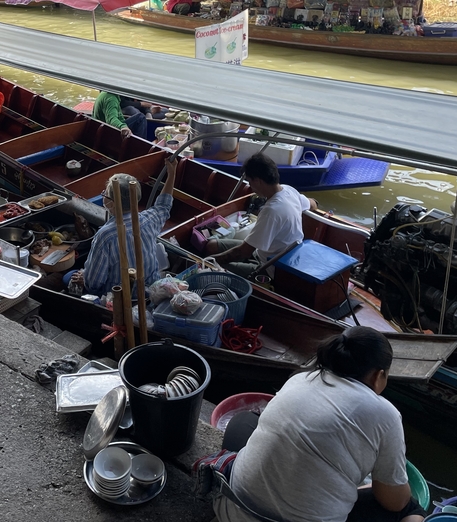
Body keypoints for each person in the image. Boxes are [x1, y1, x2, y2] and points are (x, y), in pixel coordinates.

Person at [213, 327, 426, 522]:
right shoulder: (385, 413)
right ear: (379, 375)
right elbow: (394, 501)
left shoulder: (301, 378)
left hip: (231, 509)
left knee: (244, 421)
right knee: (410, 509)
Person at [80, 156, 178, 296]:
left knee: (69, 277)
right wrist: (172, 173)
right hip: (152, 292)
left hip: (121, 299)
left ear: (112, 204)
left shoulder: (105, 236)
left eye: (105, 195)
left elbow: (93, 284)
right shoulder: (148, 219)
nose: (103, 196)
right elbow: (164, 205)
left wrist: (83, 278)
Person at [208, 152, 317, 277]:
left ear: (258, 181)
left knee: (213, 268)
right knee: (212, 246)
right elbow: (313, 204)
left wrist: (209, 261)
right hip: (261, 252)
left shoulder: (271, 211)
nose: (250, 186)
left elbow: (243, 252)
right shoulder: (288, 190)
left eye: (249, 181)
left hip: (269, 268)